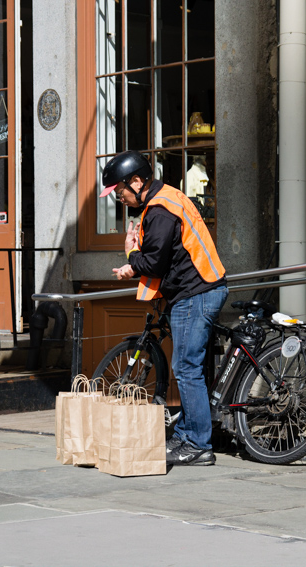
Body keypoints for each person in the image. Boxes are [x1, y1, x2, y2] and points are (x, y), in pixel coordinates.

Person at [101, 150, 228, 466]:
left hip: (194, 293)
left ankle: (198, 444)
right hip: (197, 289)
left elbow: (155, 263)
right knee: (187, 367)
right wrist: (134, 265)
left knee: (186, 369)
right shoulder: (164, 199)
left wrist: (131, 254)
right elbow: (165, 254)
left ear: (137, 181)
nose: (119, 198)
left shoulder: (159, 211)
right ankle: (185, 434)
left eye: (120, 191)